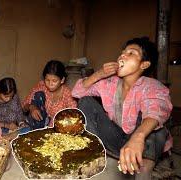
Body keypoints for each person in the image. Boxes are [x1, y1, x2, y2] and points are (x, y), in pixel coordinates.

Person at [72, 37, 172, 179]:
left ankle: (143, 170)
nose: (122, 55)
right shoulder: (110, 83)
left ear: (144, 65)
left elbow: (157, 110)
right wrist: (99, 74)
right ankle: (94, 152)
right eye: (122, 52)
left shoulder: (152, 86)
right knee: (86, 102)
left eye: (131, 53)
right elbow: (77, 92)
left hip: (142, 144)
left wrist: (138, 137)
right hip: (117, 139)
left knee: (157, 128)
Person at [23, 60, 77, 130]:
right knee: (39, 95)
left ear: (62, 80)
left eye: (54, 81)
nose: (50, 84)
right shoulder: (41, 86)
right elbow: (24, 106)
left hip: (57, 130)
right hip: (37, 126)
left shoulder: (67, 94)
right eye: (47, 80)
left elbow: (74, 115)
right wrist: (31, 107)